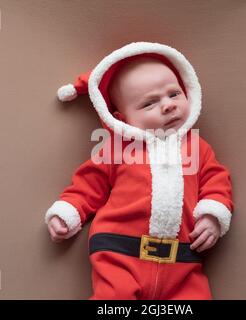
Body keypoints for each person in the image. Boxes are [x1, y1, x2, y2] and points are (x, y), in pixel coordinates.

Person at [45, 42, 234, 299]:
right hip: (119, 252)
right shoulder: (116, 150)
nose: (168, 105)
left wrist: (213, 215)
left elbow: (217, 181)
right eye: (149, 104)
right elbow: (88, 185)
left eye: (174, 94)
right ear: (122, 120)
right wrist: (67, 213)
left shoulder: (198, 148)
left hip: (183, 260)